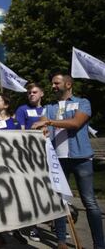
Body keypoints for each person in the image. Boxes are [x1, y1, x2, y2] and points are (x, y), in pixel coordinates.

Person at [32, 73, 105, 249]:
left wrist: (49, 122)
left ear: (69, 84)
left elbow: (75, 123)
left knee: (89, 202)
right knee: (59, 201)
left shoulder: (83, 103)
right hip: (58, 161)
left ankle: (99, 244)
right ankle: (61, 242)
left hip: (81, 159)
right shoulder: (49, 107)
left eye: (56, 83)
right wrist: (42, 128)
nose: (53, 86)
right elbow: (40, 126)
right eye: (52, 84)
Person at [15, 83, 44, 242]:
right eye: (29, 93)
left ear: (42, 94)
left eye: (34, 92)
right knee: (34, 193)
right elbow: (21, 132)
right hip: (30, 156)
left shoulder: (49, 110)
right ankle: (34, 228)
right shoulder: (22, 110)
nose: (31, 94)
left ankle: (56, 224)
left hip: (47, 155)